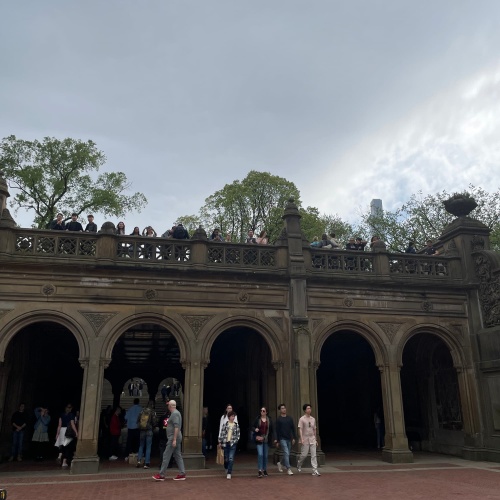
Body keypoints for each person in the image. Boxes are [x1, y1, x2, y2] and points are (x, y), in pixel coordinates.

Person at [152, 399, 186, 481]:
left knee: (166, 455)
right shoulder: (176, 413)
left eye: (168, 405)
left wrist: (174, 439)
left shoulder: (174, 414)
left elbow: (176, 427)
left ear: (170, 406)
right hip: (175, 437)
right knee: (177, 455)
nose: (167, 406)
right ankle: (182, 473)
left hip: (173, 437)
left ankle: (161, 474)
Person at [297, 403, 320, 476]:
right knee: (304, 454)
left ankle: (315, 470)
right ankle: (299, 463)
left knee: (314, 455)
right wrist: (301, 438)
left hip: (312, 438)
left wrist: (315, 439)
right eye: (308, 408)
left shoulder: (313, 419)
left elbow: (314, 429)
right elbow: (300, 429)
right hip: (305, 438)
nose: (309, 409)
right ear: (305, 410)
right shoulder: (302, 419)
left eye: (310, 408)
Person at [274, 403, 297, 475]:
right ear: (280, 410)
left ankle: (280, 463)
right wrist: (277, 440)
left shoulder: (289, 418)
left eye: (284, 408)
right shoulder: (279, 420)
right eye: (282, 408)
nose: (284, 409)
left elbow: (293, 428)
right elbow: (276, 430)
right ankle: (288, 468)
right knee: (286, 452)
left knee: (287, 454)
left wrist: (293, 437)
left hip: (289, 438)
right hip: (282, 438)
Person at [218, 410, 240, 479]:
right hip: (225, 443)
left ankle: (229, 472)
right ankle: (226, 467)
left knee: (231, 458)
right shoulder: (225, 424)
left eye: (234, 416)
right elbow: (222, 433)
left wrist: (235, 441)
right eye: (232, 416)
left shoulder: (236, 425)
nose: (233, 418)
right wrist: (220, 442)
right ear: (229, 417)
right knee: (226, 458)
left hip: (232, 444)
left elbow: (238, 435)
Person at [55, 403, 78, 468]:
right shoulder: (71, 415)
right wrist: (76, 432)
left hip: (62, 430)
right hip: (68, 431)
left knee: (62, 445)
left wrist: (57, 434)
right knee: (67, 447)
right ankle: (64, 462)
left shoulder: (62, 415)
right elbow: (72, 424)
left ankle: (59, 456)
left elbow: (59, 425)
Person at [253, 406, 273, 478]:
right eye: (261, 410)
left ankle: (264, 469)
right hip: (259, 438)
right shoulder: (257, 419)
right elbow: (252, 427)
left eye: (263, 411)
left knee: (265, 455)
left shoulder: (269, 420)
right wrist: (255, 429)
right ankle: (260, 470)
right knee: (260, 454)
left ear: (266, 412)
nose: (262, 412)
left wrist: (275, 438)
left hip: (266, 439)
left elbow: (271, 430)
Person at [136, 400, 157, 469]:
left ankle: (139, 460)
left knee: (141, 445)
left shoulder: (142, 411)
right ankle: (146, 463)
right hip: (149, 430)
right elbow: (154, 422)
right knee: (148, 447)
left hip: (142, 430)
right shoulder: (152, 412)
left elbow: (138, 420)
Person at [157, 400, 171, 471]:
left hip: (163, 435)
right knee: (170, 451)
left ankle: (162, 463)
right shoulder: (172, 417)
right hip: (169, 436)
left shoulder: (162, 417)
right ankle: (169, 463)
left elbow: (159, 425)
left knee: (162, 450)